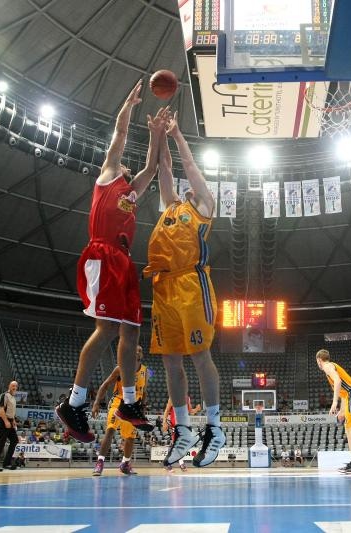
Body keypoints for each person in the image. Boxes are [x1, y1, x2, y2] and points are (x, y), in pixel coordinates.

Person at [55, 81, 162, 442]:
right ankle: (73, 402)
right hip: (102, 254)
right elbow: (119, 135)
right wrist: (129, 106)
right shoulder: (108, 177)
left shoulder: (131, 193)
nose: (129, 170)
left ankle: (129, 402)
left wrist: (157, 134)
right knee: (107, 329)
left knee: (131, 331)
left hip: (124, 262)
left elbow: (153, 167)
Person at [144, 111, 225, 468]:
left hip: (192, 285)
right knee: (170, 359)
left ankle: (215, 428)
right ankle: (184, 429)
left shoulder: (204, 207)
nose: (190, 184)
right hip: (163, 287)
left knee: (200, 355)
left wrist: (177, 134)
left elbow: (188, 165)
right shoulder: (172, 206)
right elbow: (164, 166)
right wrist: (158, 134)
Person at [91, 345, 150, 476]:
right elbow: (106, 385)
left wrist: (142, 408)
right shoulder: (120, 368)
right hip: (118, 402)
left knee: (130, 437)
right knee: (110, 429)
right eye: (135, 350)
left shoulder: (145, 371)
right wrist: (96, 402)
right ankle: (100, 462)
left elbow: (144, 392)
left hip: (133, 407)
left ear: (142, 355)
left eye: (140, 351)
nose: (138, 352)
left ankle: (125, 464)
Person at [315, 349, 351, 474]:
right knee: (348, 427)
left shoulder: (327, 366)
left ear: (319, 360)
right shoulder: (332, 366)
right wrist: (342, 410)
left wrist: (334, 402)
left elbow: (338, 381)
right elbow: (344, 394)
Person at [162, 396, 202, 472]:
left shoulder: (187, 398)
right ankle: (176, 463)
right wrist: (164, 422)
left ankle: (170, 463)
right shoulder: (172, 397)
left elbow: (190, 411)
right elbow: (167, 410)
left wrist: (196, 409)